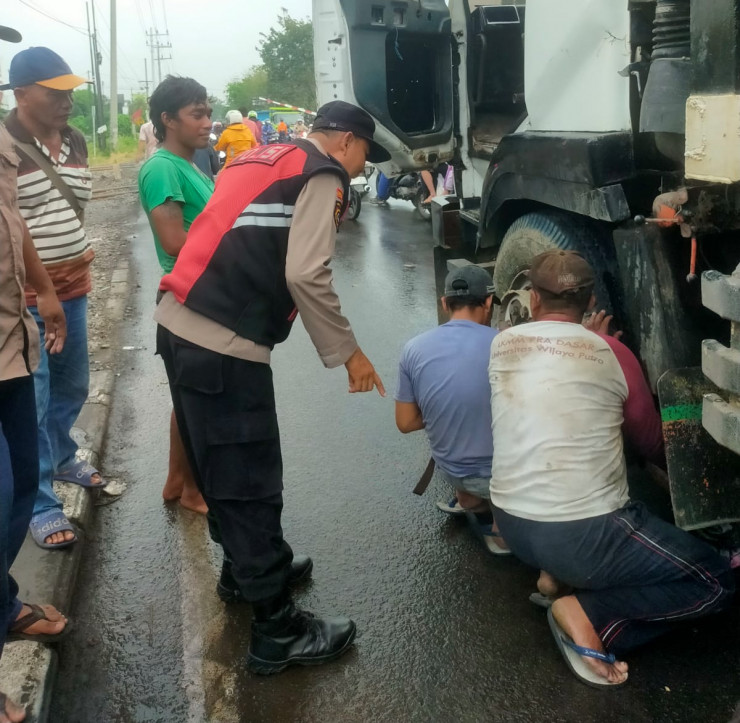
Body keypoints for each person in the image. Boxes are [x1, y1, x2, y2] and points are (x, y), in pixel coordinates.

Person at [153, 100, 389, 674]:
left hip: (178, 322)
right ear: (346, 143)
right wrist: (350, 354)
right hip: (223, 343)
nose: (359, 170)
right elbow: (306, 272)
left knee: (218, 466)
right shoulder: (321, 173)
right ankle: (277, 630)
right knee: (250, 478)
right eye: (362, 156)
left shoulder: (258, 154)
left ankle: (246, 571)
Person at [488, 249, 734, 688]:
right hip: (585, 535)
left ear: (533, 299)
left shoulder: (503, 343)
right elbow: (651, 441)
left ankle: (554, 576)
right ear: (589, 301)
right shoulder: (612, 352)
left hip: (510, 524)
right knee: (715, 581)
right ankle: (585, 613)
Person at [2, 47, 105, 550]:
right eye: (54, 92)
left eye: (70, 92)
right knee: (35, 397)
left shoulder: (76, 140)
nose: (66, 102)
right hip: (27, 298)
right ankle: (41, 501)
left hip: (74, 289)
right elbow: (13, 223)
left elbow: (66, 211)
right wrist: (41, 290)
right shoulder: (5, 143)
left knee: (73, 382)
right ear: (21, 94)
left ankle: (63, 456)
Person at [0, 27, 71, 723]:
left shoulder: (2, 149)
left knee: (21, 486)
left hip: (10, 346)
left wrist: (45, 292)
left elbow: (13, 224)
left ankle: (3, 605)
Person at [138, 76, 214, 514]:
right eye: (197, 113)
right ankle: (191, 492)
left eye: (207, 112)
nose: (207, 122)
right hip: (188, 297)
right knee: (197, 402)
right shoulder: (163, 166)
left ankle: (175, 483)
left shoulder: (191, 163)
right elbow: (173, 240)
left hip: (198, 295)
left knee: (187, 398)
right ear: (167, 120)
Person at [395, 265, 508, 555]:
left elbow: (405, 423)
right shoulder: (507, 345)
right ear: (487, 303)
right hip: (510, 477)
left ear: (444, 304)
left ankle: (472, 503)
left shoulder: (413, 348)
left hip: (456, 472)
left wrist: (441, 409)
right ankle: (504, 528)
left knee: (467, 490)